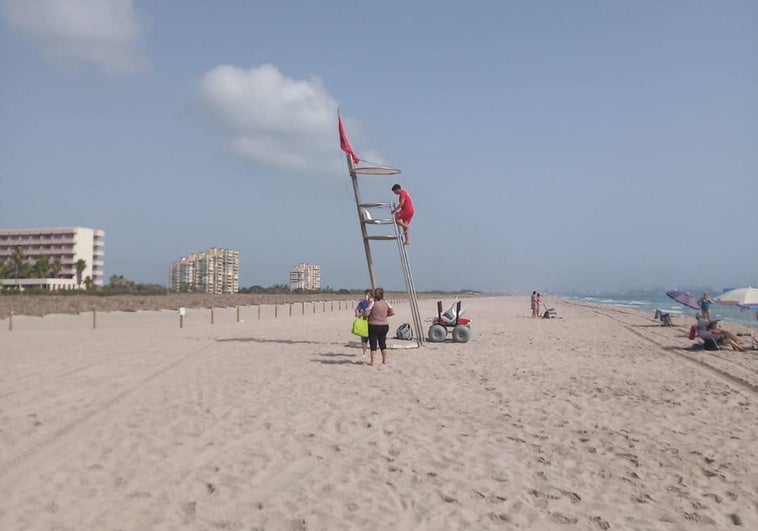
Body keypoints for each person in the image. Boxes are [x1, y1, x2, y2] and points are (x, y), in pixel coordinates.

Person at [366, 287, 394, 365]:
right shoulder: (386, 302)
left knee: (373, 343)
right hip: (384, 325)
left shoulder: (372, 303)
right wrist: (384, 316)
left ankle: (372, 361)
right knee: (382, 343)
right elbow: (392, 312)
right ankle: (384, 360)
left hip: (373, 325)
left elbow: (367, 313)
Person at [354, 289, 373, 356]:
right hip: (363, 320)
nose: (367, 295)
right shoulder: (362, 301)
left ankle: (373, 352)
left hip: (370, 321)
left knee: (371, 337)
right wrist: (357, 313)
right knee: (363, 338)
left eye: (368, 294)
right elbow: (357, 309)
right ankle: (364, 352)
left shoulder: (373, 302)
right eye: (366, 294)